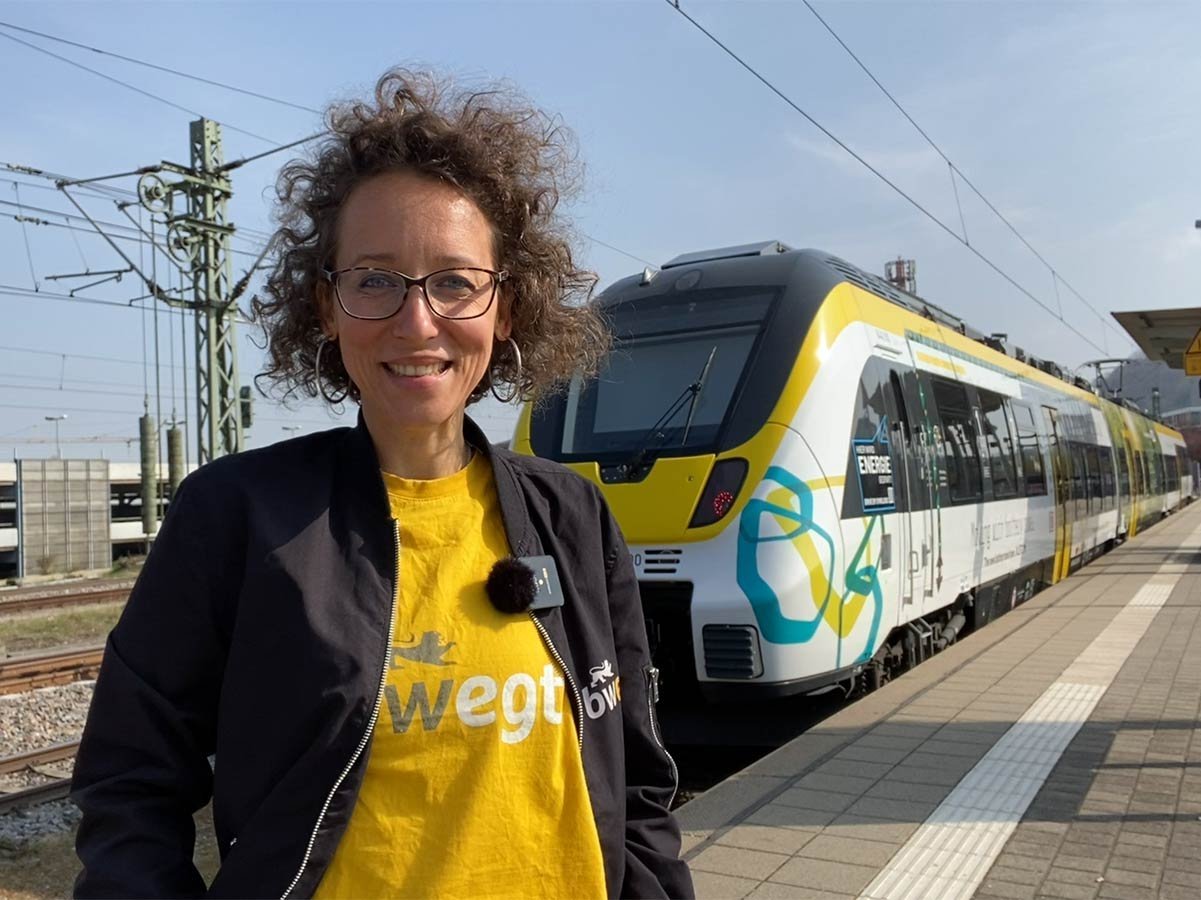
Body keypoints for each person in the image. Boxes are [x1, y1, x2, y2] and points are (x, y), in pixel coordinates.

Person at [71, 68, 694, 900]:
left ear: (505, 307)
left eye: (455, 281)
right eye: (372, 279)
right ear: (325, 309)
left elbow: (640, 781)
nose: (416, 320)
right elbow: (128, 785)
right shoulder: (238, 516)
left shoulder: (571, 514)